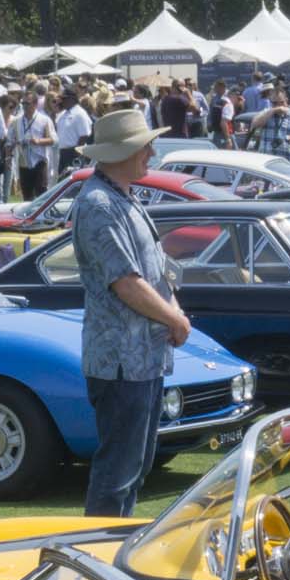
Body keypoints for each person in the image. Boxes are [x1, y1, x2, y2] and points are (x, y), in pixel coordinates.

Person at [69, 108, 194, 518]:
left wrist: (172, 311)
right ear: (123, 151)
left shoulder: (122, 197)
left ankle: (112, 559)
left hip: (142, 360)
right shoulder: (99, 205)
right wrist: (174, 319)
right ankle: (97, 560)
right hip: (121, 364)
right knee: (117, 475)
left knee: (134, 471)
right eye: (145, 146)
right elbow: (126, 283)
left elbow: (154, 273)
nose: (152, 152)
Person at [10, 91, 56, 202]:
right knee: (27, 196)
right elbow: (9, 141)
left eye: (27, 103)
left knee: (41, 194)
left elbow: (53, 140)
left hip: (40, 161)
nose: (25, 106)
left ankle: (42, 218)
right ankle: (28, 218)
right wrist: (8, 157)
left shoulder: (44, 120)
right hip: (23, 162)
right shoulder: (16, 121)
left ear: (35, 104)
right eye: (23, 103)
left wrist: (38, 141)